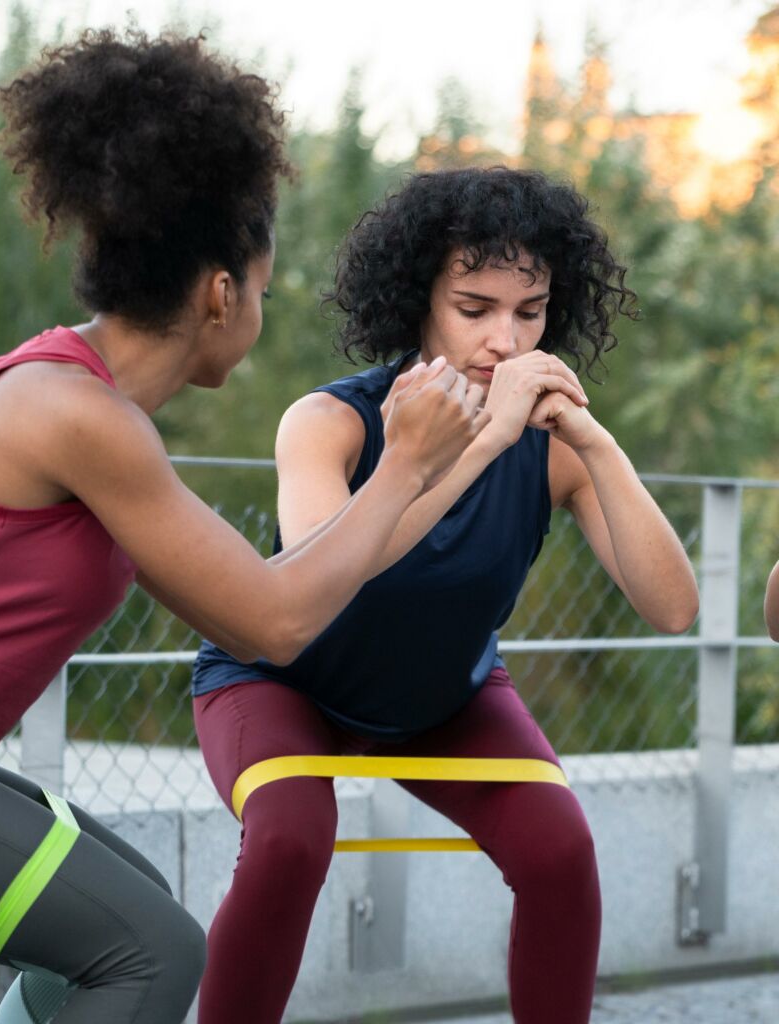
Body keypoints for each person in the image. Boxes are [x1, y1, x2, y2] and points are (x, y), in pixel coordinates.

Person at [0, 30, 490, 1024]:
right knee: (147, 950)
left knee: (123, 914)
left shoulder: (91, 411)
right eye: (265, 290)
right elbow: (274, 624)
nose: (261, 308)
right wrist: (401, 461)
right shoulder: (74, 414)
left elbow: (278, 589)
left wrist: (432, 467)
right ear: (220, 292)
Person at [190, 166, 701, 1024]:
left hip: (443, 698)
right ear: (418, 299)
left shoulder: (554, 447)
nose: (505, 340)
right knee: (288, 838)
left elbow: (675, 610)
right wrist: (482, 438)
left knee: (559, 850)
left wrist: (600, 447)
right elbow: (327, 581)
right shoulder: (328, 423)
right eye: (474, 308)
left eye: (529, 313)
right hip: (281, 683)